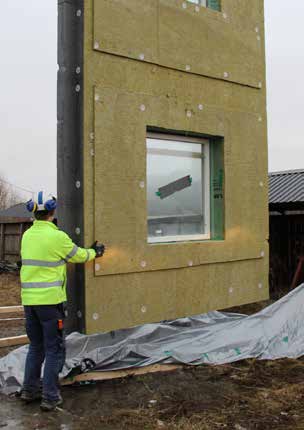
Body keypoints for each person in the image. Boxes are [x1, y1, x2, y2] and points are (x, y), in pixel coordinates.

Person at [19, 191, 105, 411]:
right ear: (52, 211)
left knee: (35, 347)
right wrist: (95, 252)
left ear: (34, 212)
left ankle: (29, 390)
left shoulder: (27, 235)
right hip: (50, 304)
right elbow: (78, 255)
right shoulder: (57, 237)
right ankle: (50, 396)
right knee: (54, 349)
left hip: (29, 303)